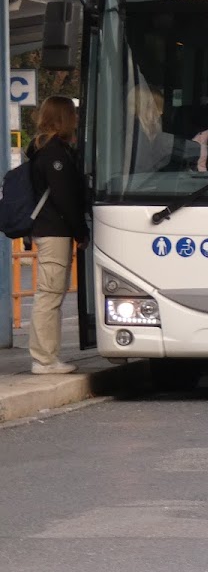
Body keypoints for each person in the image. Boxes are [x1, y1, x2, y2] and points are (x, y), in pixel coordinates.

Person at [27, 96, 90, 375]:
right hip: (54, 231)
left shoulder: (45, 148)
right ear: (64, 117)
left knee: (51, 294)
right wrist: (81, 231)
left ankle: (47, 357)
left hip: (50, 230)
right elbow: (65, 198)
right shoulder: (54, 153)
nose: (77, 119)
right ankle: (44, 359)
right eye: (73, 114)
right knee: (49, 295)